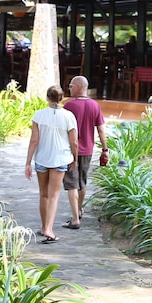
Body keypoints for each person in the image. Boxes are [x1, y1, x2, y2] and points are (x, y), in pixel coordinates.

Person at [24, 85, 78, 244]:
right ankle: (49, 229)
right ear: (61, 98)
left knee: (43, 194)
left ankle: (43, 227)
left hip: (42, 158)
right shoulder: (69, 116)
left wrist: (28, 162)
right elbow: (74, 141)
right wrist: (75, 158)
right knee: (54, 195)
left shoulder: (39, 115)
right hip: (60, 158)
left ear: (47, 97)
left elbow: (34, 140)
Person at [61, 76, 108, 229]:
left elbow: (61, 129)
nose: (69, 88)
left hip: (70, 150)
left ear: (79, 87)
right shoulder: (95, 105)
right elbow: (101, 130)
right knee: (82, 181)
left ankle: (75, 217)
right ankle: (80, 209)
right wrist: (105, 150)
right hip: (87, 150)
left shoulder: (69, 106)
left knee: (71, 184)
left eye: (71, 86)